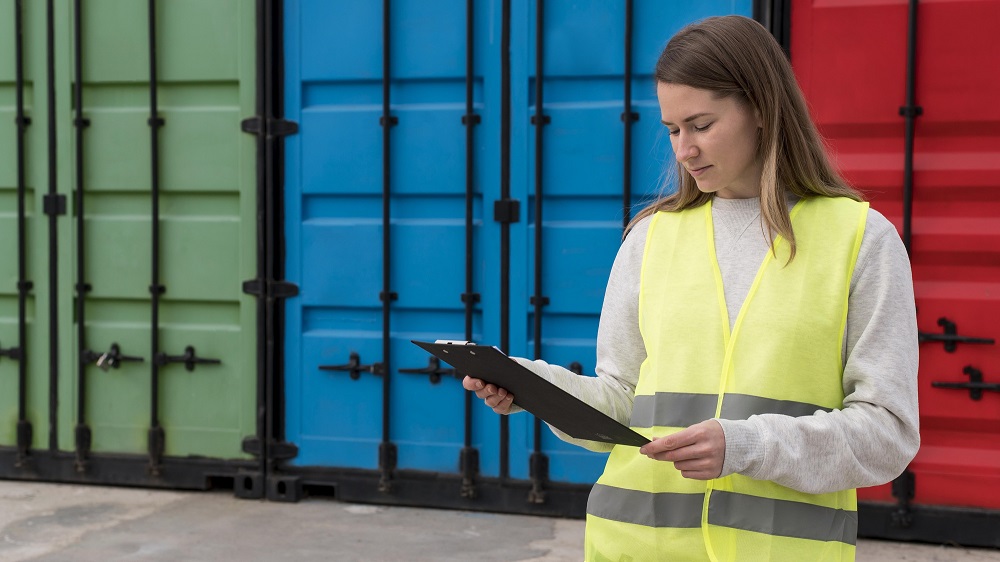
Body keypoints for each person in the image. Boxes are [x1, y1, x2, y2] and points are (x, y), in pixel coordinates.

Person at [462, 14, 919, 562]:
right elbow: (621, 405)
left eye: (701, 125)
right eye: (672, 130)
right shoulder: (651, 238)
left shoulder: (859, 239)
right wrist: (535, 388)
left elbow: (887, 433)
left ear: (762, 109)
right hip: (633, 546)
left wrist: (745, 446)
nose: (683, 150)